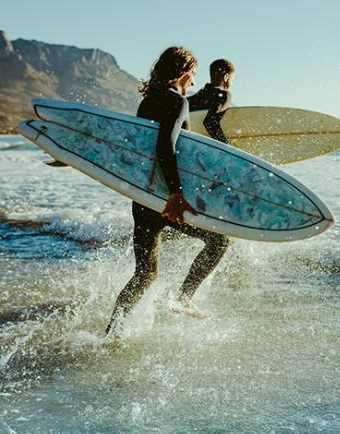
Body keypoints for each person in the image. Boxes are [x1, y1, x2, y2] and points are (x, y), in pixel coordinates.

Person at [105, 47, 230, 335]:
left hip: (144, 197)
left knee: (145, 274)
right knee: (219, 241)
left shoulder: (149, 101)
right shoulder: (177, 101)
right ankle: (184, 298)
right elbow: (166, 146)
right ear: (184, 72)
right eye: (193, 74)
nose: (194, 81)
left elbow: (144, 148)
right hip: (166, 198)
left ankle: (111, 334)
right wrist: (175, 193)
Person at [187, 59, 235, 143]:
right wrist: (225, 144)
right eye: (232, 80)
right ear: (226, 77)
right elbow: (209, 122)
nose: (232, 84)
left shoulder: (195, 98)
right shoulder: (224, 95)